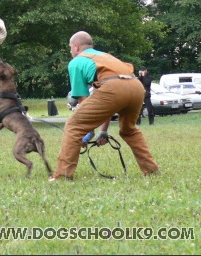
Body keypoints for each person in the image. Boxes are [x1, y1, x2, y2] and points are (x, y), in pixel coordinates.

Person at [49, 31, 159, 181]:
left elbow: (84, 100)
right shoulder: (105, 57)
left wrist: (88, 131)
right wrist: (103, 131)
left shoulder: (76, 61)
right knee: (129, 130)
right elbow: (106, 104)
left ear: (76, 47)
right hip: (136, 87)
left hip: (113, 88)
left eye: (70, 48)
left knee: (73, 126)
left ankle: (62, 175)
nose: (70, 51)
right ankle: (151, 170)